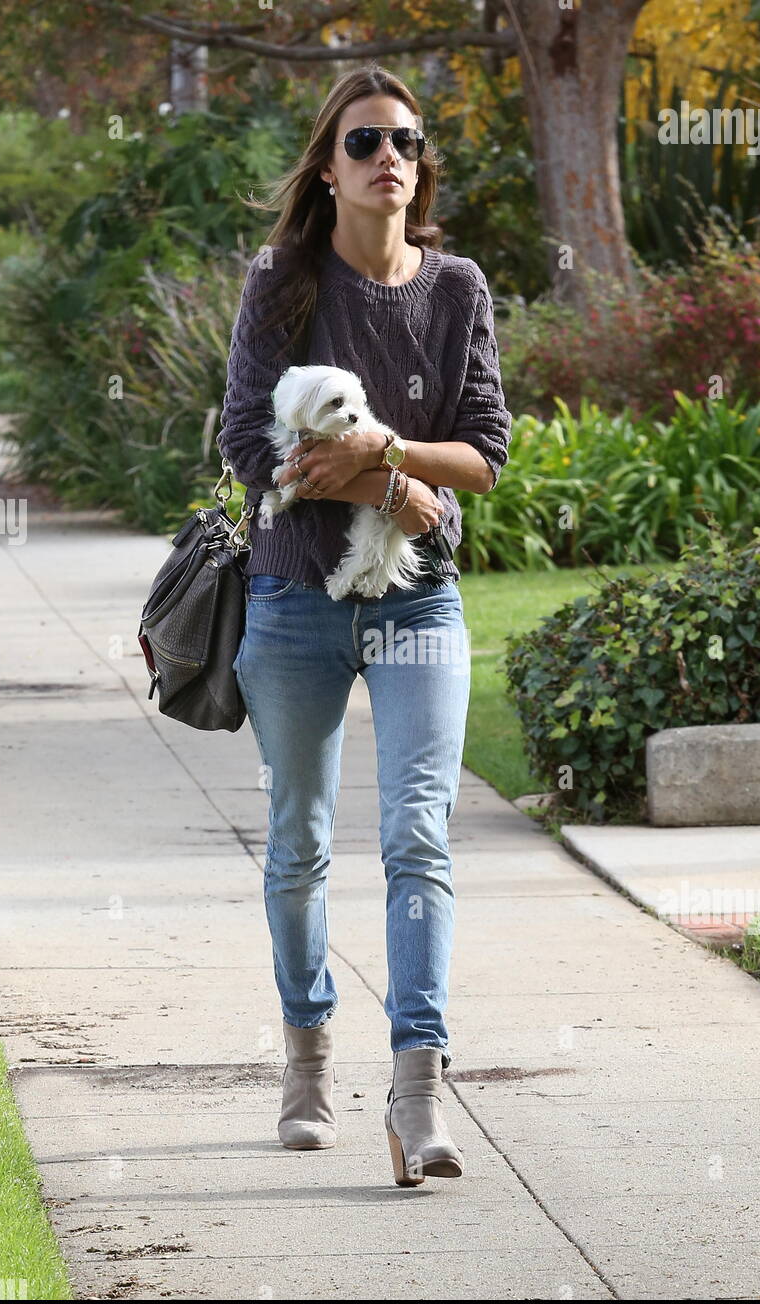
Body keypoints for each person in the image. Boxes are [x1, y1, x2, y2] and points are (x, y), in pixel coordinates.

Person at [216, 63, 512, 1187]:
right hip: (294, 596)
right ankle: (304, 1063)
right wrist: (383, 488)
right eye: (364, 142)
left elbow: (482, 452)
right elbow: (250, 445)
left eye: (405, 139)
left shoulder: (457, 288)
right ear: (328, 169)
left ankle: (417, 1093)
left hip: (418, 600)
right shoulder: (281, 281)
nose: (390, 155)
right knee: (297, 843)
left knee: (420, 837)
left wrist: (383, 457)